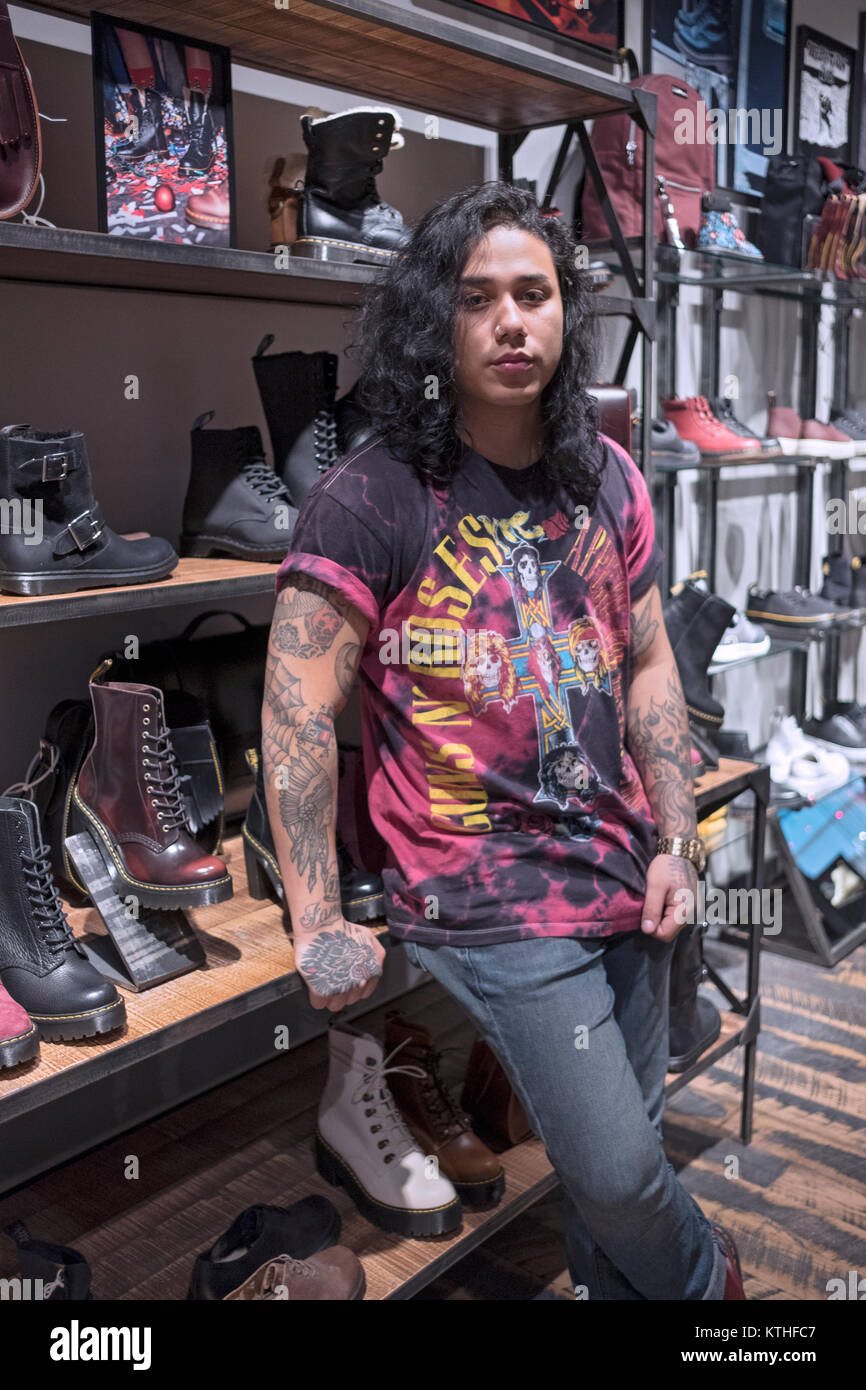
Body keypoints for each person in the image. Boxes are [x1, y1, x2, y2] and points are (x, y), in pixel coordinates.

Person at [260, 181, 744, 1300]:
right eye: (477, 299)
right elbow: (293, 706)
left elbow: (651, 661)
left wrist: (674, 836)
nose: (510, 322)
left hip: (621, 866)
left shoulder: (607, 478)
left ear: (567, 314)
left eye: (533, 294)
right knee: (623, 1177)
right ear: (437, 321)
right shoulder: (372, 496)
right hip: (484, 895)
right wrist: (320, 918)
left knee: (597, 1191)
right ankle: (709, 1287)